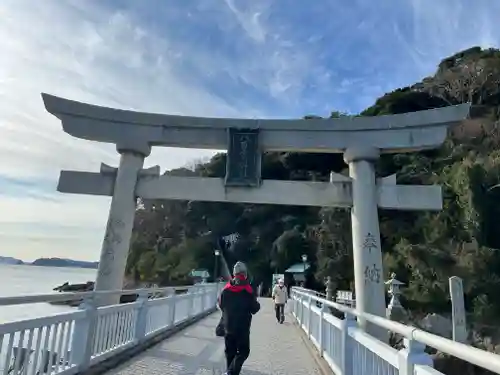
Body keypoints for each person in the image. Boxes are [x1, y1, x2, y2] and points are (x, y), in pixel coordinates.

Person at [218, 261, 260, 375]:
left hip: (228, 326)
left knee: (230, 352)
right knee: (243, 352)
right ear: (245, 274)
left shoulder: (226, 289)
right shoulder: (247, 290)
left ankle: (229, 372)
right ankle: (230, 373)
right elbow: (255, 309)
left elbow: (221, 305)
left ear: (234, 274)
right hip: (242, 328)